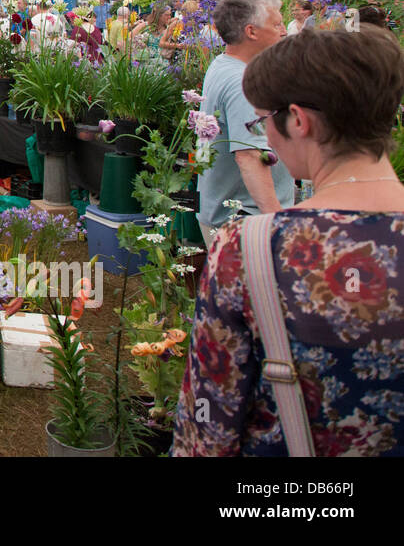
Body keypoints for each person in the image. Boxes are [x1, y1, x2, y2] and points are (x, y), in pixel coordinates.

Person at [173, 27, 404, 457]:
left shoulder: (252, 248)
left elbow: (207, 421)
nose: (267, 136)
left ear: (299, 120)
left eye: (263, 122)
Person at [198, 0, 296, 243]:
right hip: (246, 221)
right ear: (251, 31)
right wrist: (278, 223)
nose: (284, 31)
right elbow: (250, 157)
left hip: (228, 216)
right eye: (276, 25)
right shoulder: (244, 82)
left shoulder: (223, 64)